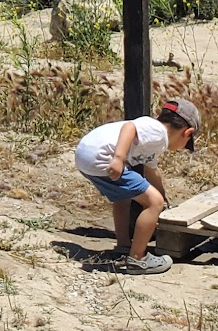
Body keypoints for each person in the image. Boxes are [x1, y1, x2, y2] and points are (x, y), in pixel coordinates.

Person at [72, 99, 202, 274]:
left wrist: (164, 198)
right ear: (187, 133)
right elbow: (129, 128)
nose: (182, 148)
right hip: (102, 157)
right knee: (153, 203)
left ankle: (124, 247)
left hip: (85, 156)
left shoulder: (154, 142)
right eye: (187, 144)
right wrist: (118, 158)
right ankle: (138, 258)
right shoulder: (157, 131)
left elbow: (152, 172)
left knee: (124, 197)